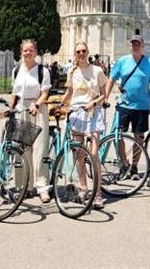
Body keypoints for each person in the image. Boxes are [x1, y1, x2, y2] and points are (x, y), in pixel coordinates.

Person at [60, 41, 108, 209]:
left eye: (83, 51)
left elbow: (104, 94)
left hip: (93, 113)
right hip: (76, 113)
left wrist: (93, 103)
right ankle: (84, 187)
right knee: (79, 153)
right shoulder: (72, 71)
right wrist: (60, 104)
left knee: (94, 154)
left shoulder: (97, 71)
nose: (81, 54)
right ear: (75, 54)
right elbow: (70, 91)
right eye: (78, 51)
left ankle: (98, 193)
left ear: (88, 52)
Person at [104, 35, 150, 179]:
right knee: (118, 136)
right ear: (130, 46)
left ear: (143, 46)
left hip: (141, 106)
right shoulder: (122, 61)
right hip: (124, 105)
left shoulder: (149, 63)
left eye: (138, 44)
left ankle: (134, 167)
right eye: (133, 44)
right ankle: (124, 164)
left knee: (139, 137)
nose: (135, 46)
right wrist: (105, 96)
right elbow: (111, 79)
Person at [7, 39, 51, 203]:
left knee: (39, 151)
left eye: (31, 50)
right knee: (21, 150)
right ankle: (23, 186)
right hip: (21, 111)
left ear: (36, 52)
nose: (28, 53)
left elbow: (45, 93)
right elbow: (15, 92)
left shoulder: (42, 71)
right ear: (21, 52)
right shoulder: (16, 70)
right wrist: (11, 107)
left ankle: (42, 188)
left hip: (37, 111)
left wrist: (37, 104)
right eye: (25, 50)